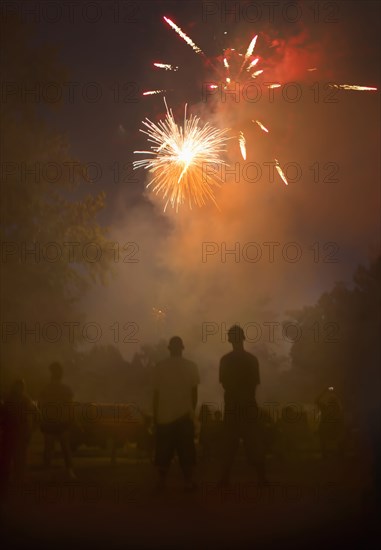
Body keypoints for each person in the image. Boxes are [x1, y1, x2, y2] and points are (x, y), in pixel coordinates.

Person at [219, 325, 267, 486]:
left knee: (228, 444)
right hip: (248, 405)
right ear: (243, 338)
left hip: (233, 405)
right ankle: (261, 478)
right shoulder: (251, 360)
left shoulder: (225, 360)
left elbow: (224, 384)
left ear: (230, 339)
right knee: (254, 442)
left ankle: (225, 478)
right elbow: (254, 384)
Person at [153, 336, 199, 492]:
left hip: (164, 416)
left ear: (169, 349)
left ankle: (161, 482)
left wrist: (155, 416)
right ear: (182, 348)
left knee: (163, 452)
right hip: (184, 416)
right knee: (186, 451)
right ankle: (188, 482)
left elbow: (156, 395)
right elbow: (194, 394)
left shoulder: (160, 367)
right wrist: (191, 411)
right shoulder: (191, 366)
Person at [39, 362, 76, 479]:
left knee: (62, 448)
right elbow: (42, 405)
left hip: (59, 422)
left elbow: (70, 406)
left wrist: (71, 419)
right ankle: (50, 470)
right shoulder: (49, 388)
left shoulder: (60, 389)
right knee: (53, 448)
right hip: (54, 422)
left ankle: (67, 470)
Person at [0, 379, 39, 490]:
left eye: (19, 387)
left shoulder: (26, 400)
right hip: (10, 433)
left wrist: (31, 430)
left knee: (19, 459)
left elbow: (37, 415)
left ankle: (19, 481)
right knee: (6, 459)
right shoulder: (8, 399)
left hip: (20, 433)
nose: (17, 389)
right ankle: (6, 481)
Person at [315, 386, 345, 458]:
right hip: (331, 431)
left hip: (329, 431)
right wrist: (335, 393)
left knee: (324, 430)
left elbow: (316, 400)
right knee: (339, 430)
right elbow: (316, 401)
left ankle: (325, 453)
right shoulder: (337, 411)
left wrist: (324, 392)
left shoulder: (326, 408)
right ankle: (339, 451)